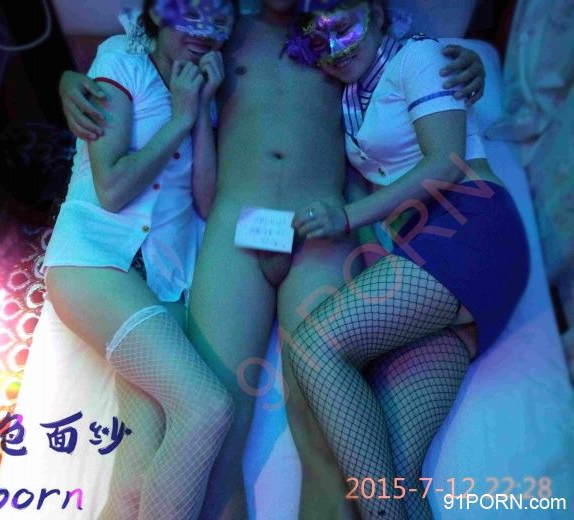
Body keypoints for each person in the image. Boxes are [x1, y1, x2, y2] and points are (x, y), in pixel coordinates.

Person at [59, 1, 487, 518]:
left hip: (320, 229)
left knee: (323, 425)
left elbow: (405, 62)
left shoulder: (339, 33)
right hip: (235, 229)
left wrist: (465, 64)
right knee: (219, 423)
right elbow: (141, 49)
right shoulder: (221, 31)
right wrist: (67, 79)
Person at [285, 1, 530, 518]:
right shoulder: (352, 99)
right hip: (437, 267)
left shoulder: (418, 57)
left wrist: (346, 218)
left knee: (313, 346)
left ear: (376, 12)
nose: (333, 48)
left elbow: (446, 161)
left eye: (342, 27)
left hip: (469, 226)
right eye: (318, 40)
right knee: (391, 470)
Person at [42, 1, 237, 519]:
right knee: (206, 408)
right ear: (157, 13)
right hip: (95, 263)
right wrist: (180, 118)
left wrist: (201, 111)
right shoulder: (121, 60)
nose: (205, 31)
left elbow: (206, 204)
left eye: (219, 18)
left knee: (134, 477)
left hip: (162, 281)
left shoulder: (202, 88)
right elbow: (112, 187)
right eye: (191, 14)